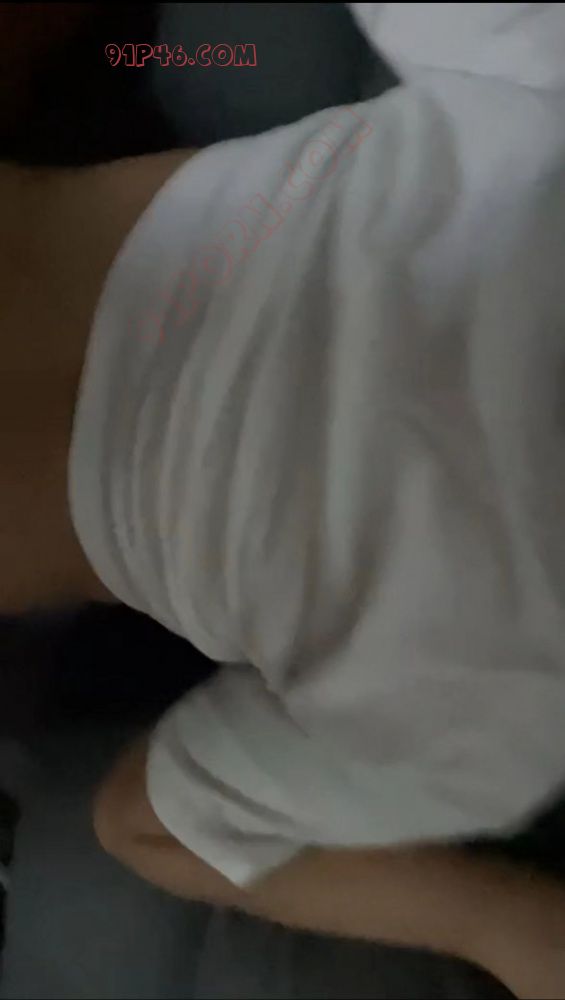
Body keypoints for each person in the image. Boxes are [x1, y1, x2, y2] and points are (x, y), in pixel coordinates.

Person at [4, 4, 565, 996]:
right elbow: (147, 828)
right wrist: (503, 925)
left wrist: (511, 927)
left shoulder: (497, 708)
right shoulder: (490, 711)